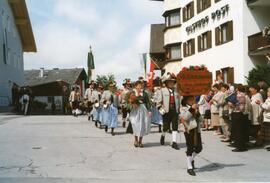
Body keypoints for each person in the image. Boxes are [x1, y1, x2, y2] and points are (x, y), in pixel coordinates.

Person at [180, 96, 203, 176]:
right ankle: (189, 167)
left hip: (197, 130)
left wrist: (197, 112)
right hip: (189, 130)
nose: (192, 101)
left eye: (193, 99)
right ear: (186, 101)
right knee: (190, 148)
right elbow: (185, 117)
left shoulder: (196, 108)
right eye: (190, 99)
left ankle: (191, 159)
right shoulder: (183, 108)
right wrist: (192, 109)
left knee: (199, 148)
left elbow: (201, 120)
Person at [157, 73, 181, 150]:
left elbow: (180, 101)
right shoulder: (162, 91)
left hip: (175, 110)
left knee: (175, 127)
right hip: (166, 111)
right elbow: (158, 102)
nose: (171, 83)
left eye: (172, 82)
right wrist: (160, 108)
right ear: (166, 83)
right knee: (166, 127)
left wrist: (179, 110)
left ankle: (174, 142)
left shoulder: (177, 91)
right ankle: (163, 135)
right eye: (169, 82)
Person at [128, 80, 151, 148]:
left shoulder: (144, 93)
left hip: (143, 109)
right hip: (135, 110)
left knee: (142, 125)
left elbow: (147, 102)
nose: (139, 87)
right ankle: (136, 140)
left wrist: (149, 110)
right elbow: (129, 101)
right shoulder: (132, 93)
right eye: (138, 85)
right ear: (135, 86)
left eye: (141, 85)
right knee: (135, 124)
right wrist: (132, 104)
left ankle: (140, 141)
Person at [230, 84, 248, 152]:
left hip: (238, 113)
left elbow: (237, 105)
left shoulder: (239, 95)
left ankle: (240, 147)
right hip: (240, 114)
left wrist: (231, 104)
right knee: (240, 130)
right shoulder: (242, 94)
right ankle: (241, 145)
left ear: (238, 89)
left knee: (238, 130)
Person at [258, 87, 270, 151]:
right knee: (268, 132)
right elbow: (264, 106)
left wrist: (261, 103)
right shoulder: (268, 99)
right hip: (266, 118)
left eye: (268, 91)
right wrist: (261, 104)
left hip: (269, 118)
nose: (267, 93)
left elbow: (267, 107)